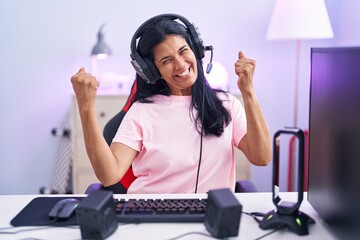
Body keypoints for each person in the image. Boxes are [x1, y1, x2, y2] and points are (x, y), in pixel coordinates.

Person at [71, 14, 271, 194]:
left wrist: (248, 91)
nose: (181, 64)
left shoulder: (227, 104)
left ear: (196, 49)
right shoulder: (142, 112)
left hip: (212, 216)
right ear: (152, 71)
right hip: (151, 214)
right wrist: (86, 107)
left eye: (183, 51)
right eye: (166, 60)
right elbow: (109, 175)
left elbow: (261, 157)